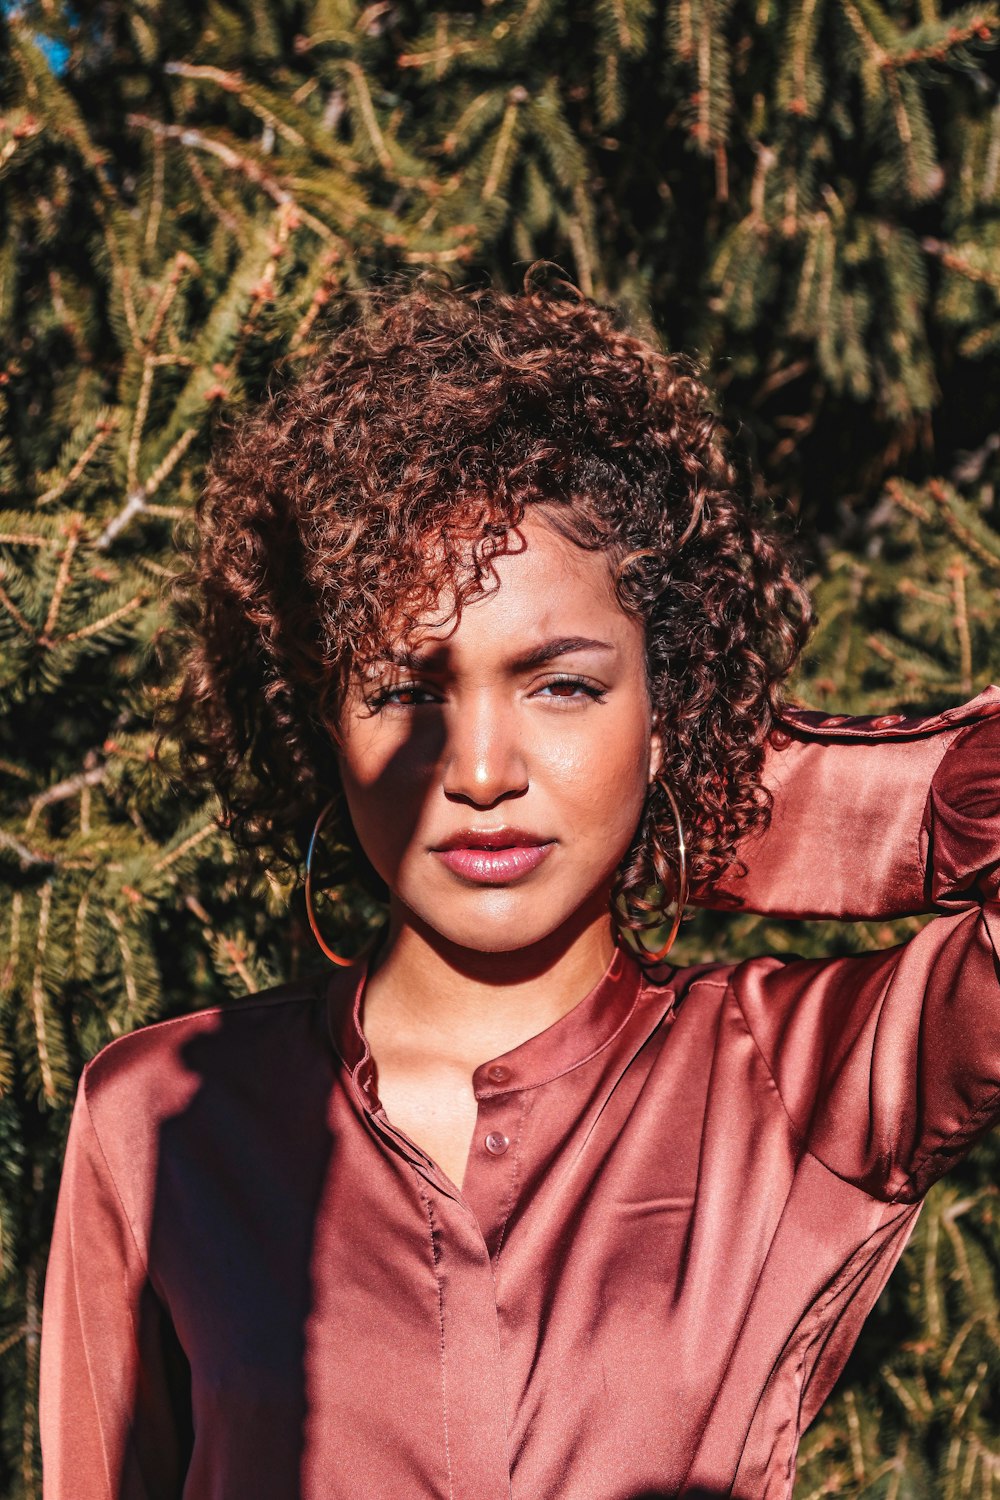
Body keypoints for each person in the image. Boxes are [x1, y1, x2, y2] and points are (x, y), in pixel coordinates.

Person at [38, 267, 1000, 1500]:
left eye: (563, 687)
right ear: (322, 725)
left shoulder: (793, 1083)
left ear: (667, 709)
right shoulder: (159, 1117)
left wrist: (731, 799)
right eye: (406, 692)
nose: (481, 770)